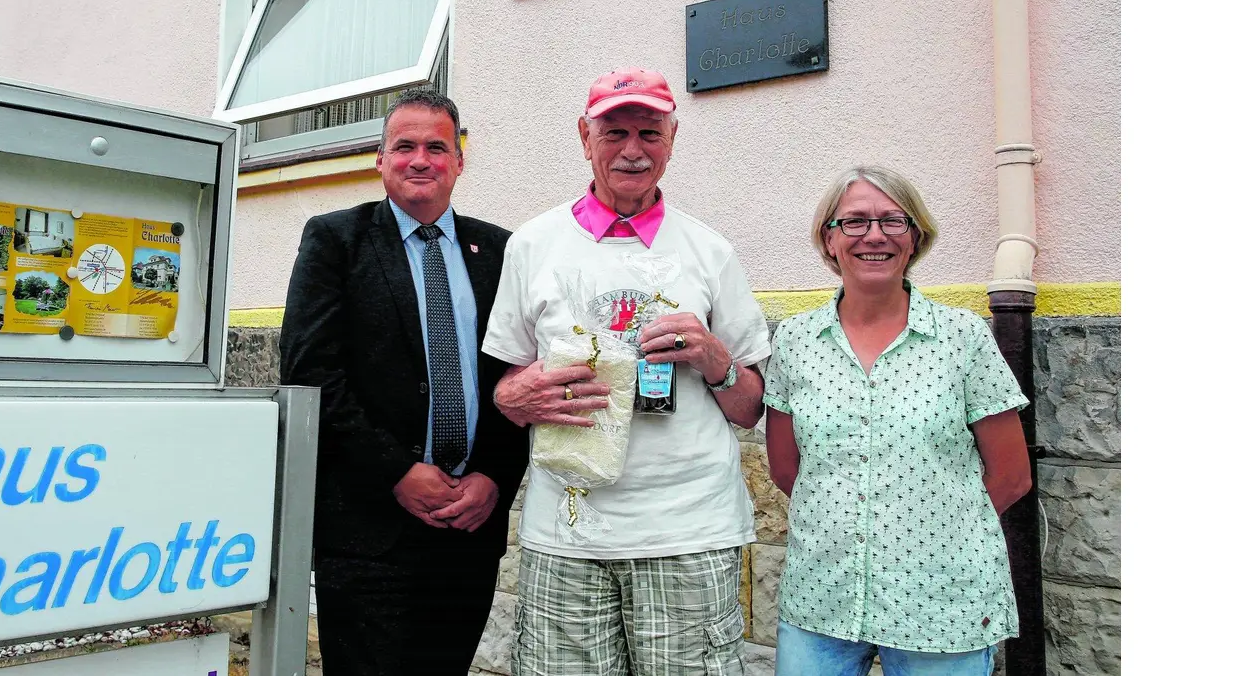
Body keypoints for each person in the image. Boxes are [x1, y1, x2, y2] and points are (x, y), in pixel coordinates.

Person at [485, 67, 770, 675]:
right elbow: (504, 390)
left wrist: (714, 358)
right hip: (567, 530)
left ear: (673, 138)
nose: (633, 150)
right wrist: (521, 395)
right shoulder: (533, 245)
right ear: (584, 137)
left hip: (687, 531)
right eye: (614, 133)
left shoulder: (709, 251)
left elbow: (750, 407)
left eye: (650, 132)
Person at [279, 87, 527, 676]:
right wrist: (397, 471)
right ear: (381, 160)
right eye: (405, 146)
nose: (421, 159)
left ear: (459, 161)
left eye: (437, 147)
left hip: (469, 526)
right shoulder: (335, 240)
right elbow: (310, 373)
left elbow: (518, 380)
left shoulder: (500, 250)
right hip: (370, 531)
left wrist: (494, 477)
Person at [763, 166, 1032, 676]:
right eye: (855, 222)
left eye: (893, 220)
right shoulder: (795, 341)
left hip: (941, 598)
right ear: (829, 239)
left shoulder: (963, 337)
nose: (875, 236)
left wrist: (939, 533)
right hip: (823, 594)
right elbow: (785, 469)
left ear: (915, 238)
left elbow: (1012, 475)